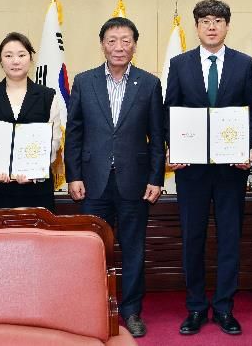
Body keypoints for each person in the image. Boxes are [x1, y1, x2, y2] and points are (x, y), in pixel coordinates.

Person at [164, 0, 252, 336]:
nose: (211, 26)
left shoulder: (244, 64)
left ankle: (223, 307)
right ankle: (195, 307)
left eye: (218, 21)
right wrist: (174, 148)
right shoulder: (179, 64)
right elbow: (170, 112)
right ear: (196, 27)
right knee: (192, 237)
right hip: (191, 170)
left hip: (230, 169)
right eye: (205, 20)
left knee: (229, 238)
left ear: (227, 26)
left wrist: (245, 147)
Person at [64, 17, 165, 338]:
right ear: (102, 45)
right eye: (112, 40)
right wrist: (73, 175)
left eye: (125, 40)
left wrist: (156, 178)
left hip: (135, 182)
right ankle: (94, 309)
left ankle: (131, 311)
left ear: (135, 45)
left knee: (134, 248)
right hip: (93, 182)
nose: (119, 47)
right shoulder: (84, 81)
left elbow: (157, 136)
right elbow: (74, 133)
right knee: (93, 249)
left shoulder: (149, 84)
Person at [0, 32, 61, 211]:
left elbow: (53, 141)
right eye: (8, 55)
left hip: (37, 192)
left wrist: (34, 172)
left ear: (30, 59)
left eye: (21, 55)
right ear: (1, 61)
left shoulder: (48, 96)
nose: (15, 61)